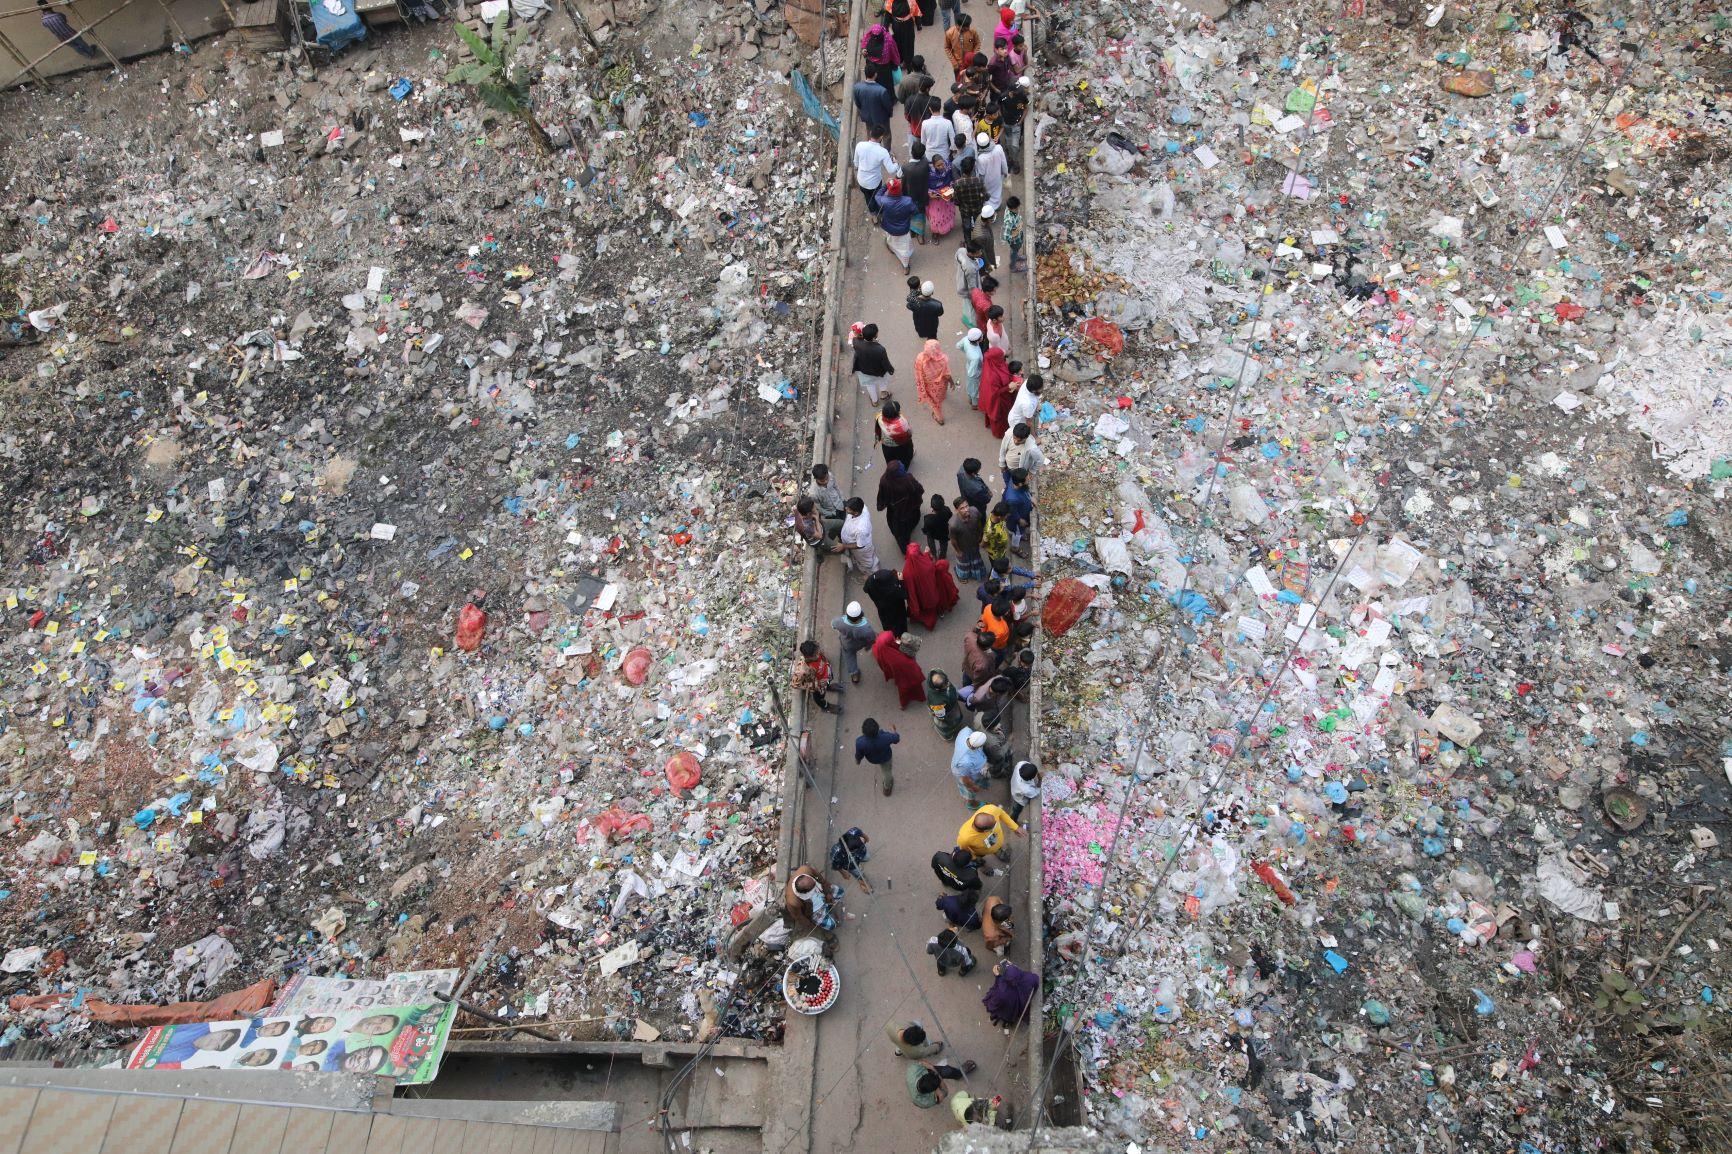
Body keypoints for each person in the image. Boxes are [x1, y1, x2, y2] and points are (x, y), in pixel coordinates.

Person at [903, 541, 960, 629]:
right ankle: (940, 611)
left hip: (920, 595)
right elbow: (930, 564)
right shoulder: (926, 566)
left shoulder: (907, 571)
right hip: (931, 590)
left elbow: (910, 587)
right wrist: (927, 553)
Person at [785, 864, 841, 949]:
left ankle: (830, 908)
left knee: (839, 892)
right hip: (813, 910)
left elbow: (822, 880)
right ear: (804, 894)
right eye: (811, 890)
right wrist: (811, 925)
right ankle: (826, 933)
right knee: (831, 925)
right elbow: (799, 917)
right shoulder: (793, 901)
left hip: (822, 893)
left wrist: (827, 893)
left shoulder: (806, 869)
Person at [875, 457, 924, 552]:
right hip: (909, 508)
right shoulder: (907, 479)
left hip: (895, 510)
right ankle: (907, 543)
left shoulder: (884, 480)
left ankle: (905, 548)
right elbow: (918, 489)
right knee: (908, 524)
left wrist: (881, 505)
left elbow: (882, 496)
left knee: (899, 530)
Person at [853, 127, 902, 219]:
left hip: (862, 180)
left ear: (871, 134)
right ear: (881, 137)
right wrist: (896, 163)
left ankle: (873, 213)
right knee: (877, 196)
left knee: (868, 197)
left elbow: (856, 163)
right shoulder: (883, 152)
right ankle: (880, 210)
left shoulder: (860, 145)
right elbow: (891, 170)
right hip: (874, 182)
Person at [872, 630, 925, 708]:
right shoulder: (897, 657)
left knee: (903, 690)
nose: (894, 638)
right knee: (908, 688)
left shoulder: (880, 649)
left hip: (899, 672)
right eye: (892, 638)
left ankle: (904, 704)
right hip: (907, 674)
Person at [875, 179, 918, 272]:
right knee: (904, 249)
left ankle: (891, 248)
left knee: (891, 240)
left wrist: (886, 185)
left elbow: (877, 195)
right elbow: (915, 211)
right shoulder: (908, 201)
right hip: (904, 230)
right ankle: (905, 267)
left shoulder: (883, 201)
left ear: (889, 190)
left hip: (889, 228)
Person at [831, 601, 877, 683]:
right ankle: (876, 651)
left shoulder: (840, 621)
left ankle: (854, 675)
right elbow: (872, 638)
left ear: (847, 614)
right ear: (861, 614)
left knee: (849, 657)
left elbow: (833, 624)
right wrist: (868, 646)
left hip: (847, 644)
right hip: (860, 644)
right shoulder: (866, 628)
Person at [957, 804, 1022, 862]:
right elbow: (965, 851)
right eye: (994, 825)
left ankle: (998, 851)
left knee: (998, 849)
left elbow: (1002, 813)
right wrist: (974, 858)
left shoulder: (991, 810)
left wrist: (1015, 827)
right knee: (979, 860)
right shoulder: (964, 838)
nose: (997, 822)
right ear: (986, 831)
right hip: (982, 852)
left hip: (996, 842)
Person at [982, 961, 1039, 1027]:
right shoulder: (1030, 978)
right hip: (1022, 1003)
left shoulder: (1003, 989)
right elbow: (1036, 982)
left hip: (1009, 1008)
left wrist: (997, 976)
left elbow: (996, 1002)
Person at [792, 639, 841, 714]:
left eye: (818, 650)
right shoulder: (802, 670)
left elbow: (822, 658)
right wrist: (815, 684)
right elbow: (795, 684)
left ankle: (828, 687)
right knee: (819, 698)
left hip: (826, 676)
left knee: (827, 684)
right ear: (808, 657)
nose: (819, 654)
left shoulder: (817, 652)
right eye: (816, 654)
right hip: (818, 687)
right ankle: (825, 706)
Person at [851, 322, 895, 406]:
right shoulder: (880, 349)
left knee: (870, 385)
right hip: (878, 371)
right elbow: (885, 362)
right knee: (883, 381)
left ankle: (874, 401)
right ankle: (884, 394)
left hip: (864, 370)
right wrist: (890, 370)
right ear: (875, 336)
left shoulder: (856, 342)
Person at [913, 338, 954, 424]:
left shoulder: (920, 358)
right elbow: (947, 374)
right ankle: (942, 397)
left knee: (934, 403)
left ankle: (939, 418)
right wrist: (951, 382)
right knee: (941, 394)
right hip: (941, 384)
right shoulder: (942, 360)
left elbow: (917, 371)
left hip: (929, 386)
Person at [855, 717, 899, 796]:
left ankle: (887, 787)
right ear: (877, 727)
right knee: (887, 773)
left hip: (873, 759)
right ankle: (887, 788)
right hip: (886, 757)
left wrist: (858, 760)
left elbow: (859, 754)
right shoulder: (885, 737)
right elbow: (896, 739)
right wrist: (894, 731)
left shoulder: (860, 742)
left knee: (885, 770)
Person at [864, 565, 911, 638]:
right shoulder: (892, 591)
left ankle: (891, 636)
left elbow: (866, 588)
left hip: (883, 610)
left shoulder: (872, 582)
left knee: (887, 623)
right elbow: (904, 594)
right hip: (896, 610)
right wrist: (901, 581)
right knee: (898, 625)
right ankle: (900, 637)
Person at [861, 20, 901, 99]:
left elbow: (864, 45)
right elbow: (894, 52)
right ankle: (890, 99)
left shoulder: (869, 37)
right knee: (887, 84)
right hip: (884, 68)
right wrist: (896, 62)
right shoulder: (888, 39)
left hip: (873, 66)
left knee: (875, 83)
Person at [950, 728, 992, 805]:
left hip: (977, 772)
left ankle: (982, 785)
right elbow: (965, 779)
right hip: (967, 775)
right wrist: (973, 787)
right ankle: (972, 803)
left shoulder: (966, 731)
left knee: (980, 781)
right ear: (978, 746)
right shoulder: (966, 762)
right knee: (969, 792)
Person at [979, 347, 1013, 438]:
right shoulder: (992, 376)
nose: (1003, 358)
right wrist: (1008, 387)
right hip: (998, 399)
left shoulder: (992, 364)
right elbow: (995, 392)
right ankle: (999, 433)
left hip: (1002, 394)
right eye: (1001, 357)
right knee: (1000, 416)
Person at [949, 496, 985, 581]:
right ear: (956, 510)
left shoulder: (975, 511)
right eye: (962, 508)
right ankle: (961, 576)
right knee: (964, 563)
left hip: (975, 544)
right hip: (964, 548)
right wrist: (958, 551)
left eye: (967, 506)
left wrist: (980, 536)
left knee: (976, 559)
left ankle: (976, 573)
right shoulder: (953, 524)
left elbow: (979, 523)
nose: (966, 510)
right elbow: (953, 540)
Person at [924, 669, 966, 741]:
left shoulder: (936, 673)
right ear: (938, 689)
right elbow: (941, 716)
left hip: (949, 705)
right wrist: (947, 721)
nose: (948, 684)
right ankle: (947, 736)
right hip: (946, 712)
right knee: (944, 726)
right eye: (945, 685)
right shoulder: (937, 702)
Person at [840, 497, 878, 576]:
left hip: (861, 550)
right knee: (866, 558)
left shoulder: (861, 529)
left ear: (856, 513)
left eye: (849, 509)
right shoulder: (862, 507)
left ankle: (870, 574)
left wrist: (843, 546)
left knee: (866, 563)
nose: (846, 508)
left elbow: (859, 545)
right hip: (860, 541)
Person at [951, 157, 987, 240]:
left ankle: (968, 243)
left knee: (966, 226)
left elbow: (956, 200)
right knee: (978, 226)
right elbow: (985, 196)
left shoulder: (957, 183)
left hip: (965, 210)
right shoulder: (979, 181)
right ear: (973, 168)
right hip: (977, 209)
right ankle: (979, 242)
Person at [853, 65, 895, 134]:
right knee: (886, 135)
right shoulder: (882, 91)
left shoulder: (857, 88)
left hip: (867, 118)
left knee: (870, 133)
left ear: (865, 74)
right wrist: (889, 114)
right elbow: (888, 106)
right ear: (875, 74)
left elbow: (857, 103)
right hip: (882, 118)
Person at [874, 400, 916, 470]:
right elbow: (909, 433)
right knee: (905, 457)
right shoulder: (901, 424)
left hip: (886, 445)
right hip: (901, 445)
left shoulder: (879, 417)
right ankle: (903, 470)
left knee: (890, 459)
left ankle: (893, 470)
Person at [903, 146, 933, 243]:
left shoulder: (905, 167)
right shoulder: (925, 165)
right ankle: (920, 235)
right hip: (922, 196)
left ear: (912, 152)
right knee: (920, 215)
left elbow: (899, 176)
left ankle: (913, 231)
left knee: (911, 214)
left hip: (909, 196)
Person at [830, 826, 873, 893]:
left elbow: (864, 836)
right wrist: (843, 873)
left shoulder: (854, 831)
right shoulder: (836, 853)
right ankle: (863, 883)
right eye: (854, 850)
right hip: (850, 865)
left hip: (862, 854)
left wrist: (866, 838)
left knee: (867, 857)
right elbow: (836, 865)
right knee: (859, 874)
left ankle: (860, 865)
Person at [808, 464, 846, 536]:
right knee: (837, 529)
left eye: (827, 478)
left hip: (840, 505)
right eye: (822, 481)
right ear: (816, 479)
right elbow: (818, 508)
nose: (826, 481)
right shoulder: (813, 493)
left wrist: (842, 500)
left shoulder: (830, 475)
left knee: (844, 522)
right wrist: (830, 513)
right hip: (830, 513)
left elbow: (836, 487)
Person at [885, 0, 920, 77]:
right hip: (908, 26)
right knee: (908, 45)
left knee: (898, 44)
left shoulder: (891, 2)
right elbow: (916, 13)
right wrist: (918, 26)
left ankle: (901, 63)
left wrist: (885, 27)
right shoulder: (911, 1)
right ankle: (908, 65)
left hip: (897, 26)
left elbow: (887, 15)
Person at [975, 134, 1009, 210]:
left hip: (988, 180)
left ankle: (990, 209)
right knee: (997, 191)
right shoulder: (998, 148)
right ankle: (997, 205)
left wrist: (980, 185)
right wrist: (1005, 172)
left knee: (989, 195)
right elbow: (1004, 162)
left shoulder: (981, 158)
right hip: (998, 176)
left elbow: (981, 174)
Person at [1003, 468, 1033, 553]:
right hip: (1017, 520)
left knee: (1020, 531)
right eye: (1027, 479)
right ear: (1020, 484)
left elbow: (1025, 491)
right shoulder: (1012, 499)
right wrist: (1019, 519)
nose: (1029, 479)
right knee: (1017, 533)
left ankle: (1019, 534)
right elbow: (1012, 512)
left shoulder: (1014, 481)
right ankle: (1015, 548)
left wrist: (1030, 498)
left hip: (1023, 511)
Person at [962, 626, 999, 690]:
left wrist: (976, 628)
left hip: (966, 666)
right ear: (987, 647)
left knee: (965, 680)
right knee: (969, 685)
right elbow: (978, 677)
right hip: (972, 675)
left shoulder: (970, 637)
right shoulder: (984, 662)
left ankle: (965, 687)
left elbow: (971, 632)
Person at [956, 326, 984, 409]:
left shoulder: (966, 339)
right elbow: (972, 373)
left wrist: (967, 352)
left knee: (970, 385)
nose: (982, 336)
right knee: (975, 388)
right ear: (978, 340)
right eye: (981, 336)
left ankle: (970, 399)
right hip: (975, 372)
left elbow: (958, 346)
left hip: (969, 366)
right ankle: (974, 404)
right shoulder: (976, 357)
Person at [982, 503, 1012, 573]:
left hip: (1001, 551)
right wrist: (990, 550)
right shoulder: (990, 531)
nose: (1007, 517)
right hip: (996, 555)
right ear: (999, 517)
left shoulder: (995, 516)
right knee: (997, 569)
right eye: (1006, 515)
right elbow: (983, 544)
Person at [1001, 196, 1026, 272]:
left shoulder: (1009, 208)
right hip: (1015, 241)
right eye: (1016, 209)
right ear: (1010, 209)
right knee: (1014, 252)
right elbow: (1005, 236)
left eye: (1018, 208)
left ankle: (1017, 256)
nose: (1018, 210)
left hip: (1018, 235)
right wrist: (1013, 237)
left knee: (1016, 250)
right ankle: (1013, 267)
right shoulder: (1009, 220)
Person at [922, 494, 951, 559]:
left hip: (933, 533)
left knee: (929, 538)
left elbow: (926, 529)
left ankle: (933, 554)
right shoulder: (947, 510)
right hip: (944, 531)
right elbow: (950, 515)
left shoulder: (928, 519)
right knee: (944, 544)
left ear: (932, 507)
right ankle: (942, 556)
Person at [955, 238, 982, 304]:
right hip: (966, 289)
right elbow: (972, 287)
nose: (981, 254)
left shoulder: (961, 250)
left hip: (960, 278)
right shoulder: (971, 269)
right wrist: (977, 298)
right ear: (970, 254)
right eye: (978, 253)